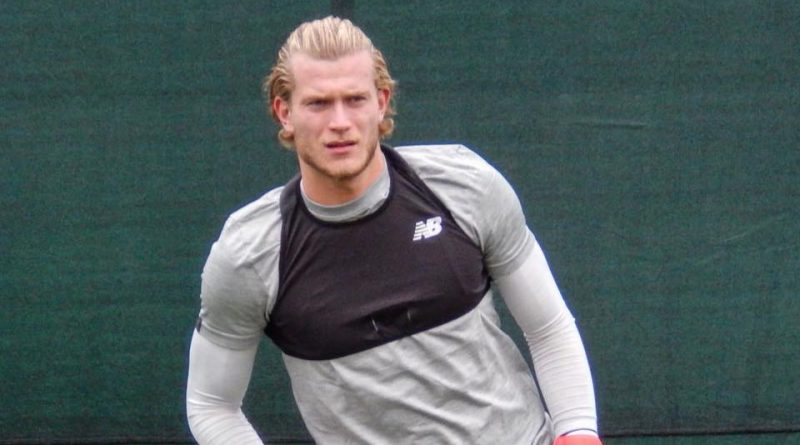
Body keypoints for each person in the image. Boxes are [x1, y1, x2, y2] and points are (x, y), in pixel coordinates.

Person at [186, 16, 602, 445]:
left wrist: (578, 431)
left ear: (381, 102)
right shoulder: (250, 253)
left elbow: (548, 327)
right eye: (319, 104)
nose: (340, 121)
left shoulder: (465, 186)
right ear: (284, 112)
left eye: (355, 99)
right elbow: (212, 405)